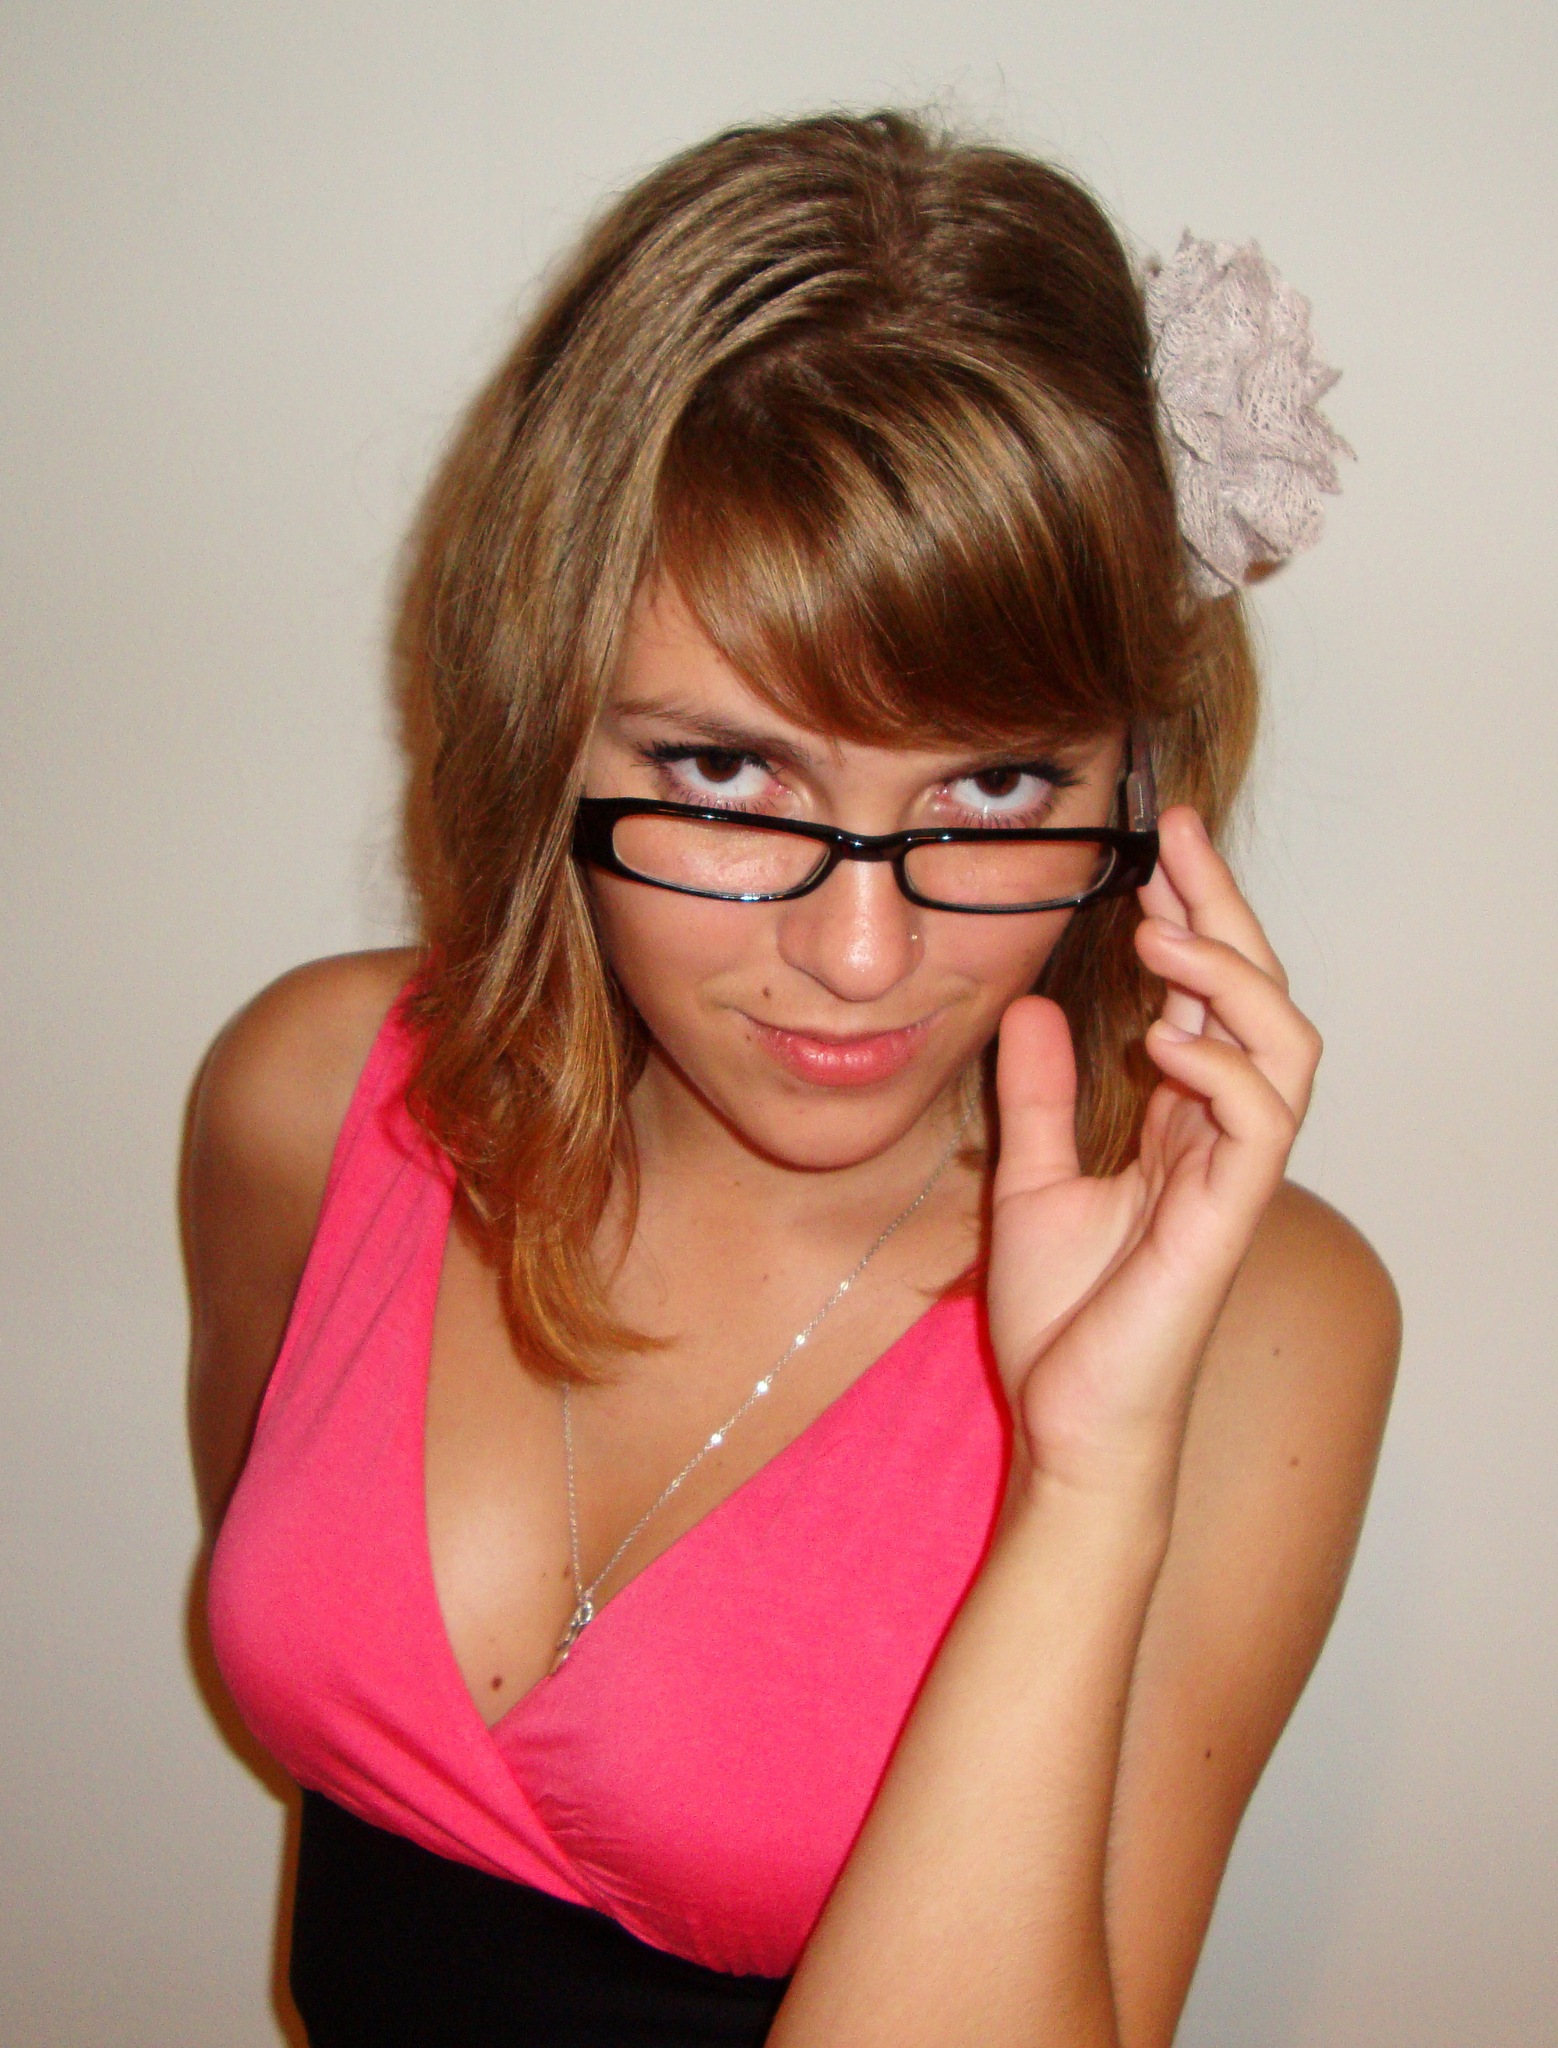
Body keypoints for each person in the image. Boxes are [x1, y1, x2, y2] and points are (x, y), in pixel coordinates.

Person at [184, 110, 1400, 2048]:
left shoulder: (1257, 1323)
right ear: (543, 717)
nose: (856, 955)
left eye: (992, 784)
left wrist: (1085, 1476)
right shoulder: (315, 1098)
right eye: (725, 770)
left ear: (1139, 778)